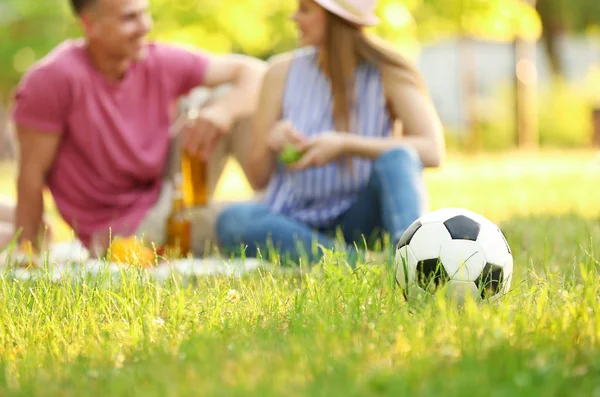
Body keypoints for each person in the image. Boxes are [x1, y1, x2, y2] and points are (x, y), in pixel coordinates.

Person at [10, 0, 266, 256]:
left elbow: (255, 72)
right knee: (243, 221)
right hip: (123, 231)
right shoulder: (52, 79)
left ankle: (276, 200)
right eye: (129, 18)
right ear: (90, 25)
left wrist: (222, 112)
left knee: (229, 94)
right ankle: (277, 216)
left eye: (145, 14)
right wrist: (28, 251)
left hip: (165, 190)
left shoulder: (155, 60)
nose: (145, 26)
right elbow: (30, 175)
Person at [216, 0, 445, 266]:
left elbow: (432, 150)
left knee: (399, 158)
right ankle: (369, 265)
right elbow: (258, 180)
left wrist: (345, 144)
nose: (294, 17)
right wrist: (272, 141)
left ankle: (411, 257)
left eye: (305, 9)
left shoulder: (388, 71)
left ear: (336, 19)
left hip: (361, 217)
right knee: (232, 220)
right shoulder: (279, 73)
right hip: (293, 223)